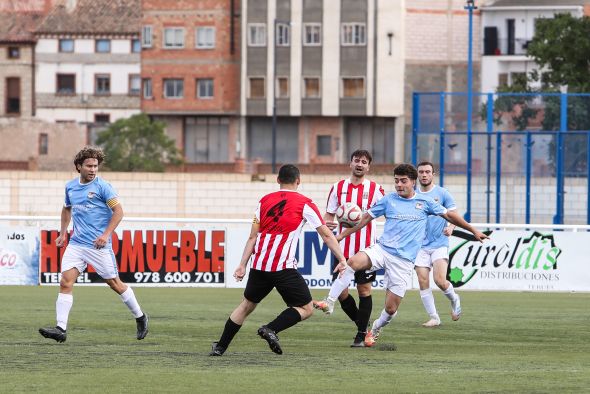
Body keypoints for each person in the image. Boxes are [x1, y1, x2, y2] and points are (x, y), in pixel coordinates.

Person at [314, 163, 487, 347]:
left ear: (413, 182)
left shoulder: (425, 203)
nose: (399, 185)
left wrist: (473, 230)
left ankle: (376, 329)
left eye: (403, 181)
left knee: (391, 308)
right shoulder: (388, 200)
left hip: (403, 262)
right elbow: (364, 220)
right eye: (396, 181)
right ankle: (330, 301)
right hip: (382, 250)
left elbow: (451, 216)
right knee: (352, 262)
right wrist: (340, 236)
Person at [209, 164, 346, 356]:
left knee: (246, 306)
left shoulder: (263, 201)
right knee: (305, 309)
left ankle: (220, 347)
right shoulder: (305, 203)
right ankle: (271, 329)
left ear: (278, 180)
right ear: (298, 181)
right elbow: (326, 235)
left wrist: (242, 265)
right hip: (283, 267)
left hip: (259, 266)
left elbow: (252, 237)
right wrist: (341, 258)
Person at [39, 146, 148, 343]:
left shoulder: (103, 187)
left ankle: (140, 317)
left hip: (98, 247)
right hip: (77, 245)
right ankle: (60, 329)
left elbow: (119, 212)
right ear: (78, 167)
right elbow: (66, 209)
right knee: (65, 282)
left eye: (95, 166)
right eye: (89, 166)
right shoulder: (70, 187)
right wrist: (63, 233)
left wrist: (106, 235)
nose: (93, 169)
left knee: (114, 284)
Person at [314, 149, 384, 347]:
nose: (360, 164)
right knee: (343, 292)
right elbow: (328, 218)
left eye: (364, 162)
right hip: (342, 249)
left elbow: (385, 214)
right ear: (350, 163)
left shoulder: (376, 189)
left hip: (367, 251)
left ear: (368, 167)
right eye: (357, 161)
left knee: (364, 290)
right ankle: (362, 324)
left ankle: (361, 335)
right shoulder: (338, 188)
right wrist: (329, 224)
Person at [415, 161, 460, 327]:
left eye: (427, 172)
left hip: (440, 242)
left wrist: (451, 227)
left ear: (433, 174)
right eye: (421, 172)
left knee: (440, 280)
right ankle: (434, 317)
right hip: (419, 245)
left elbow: (454, 215)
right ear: (417, 174)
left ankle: (455, 299)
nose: (424, 175)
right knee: (422, 280)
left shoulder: (442, 193)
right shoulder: (413, 194)